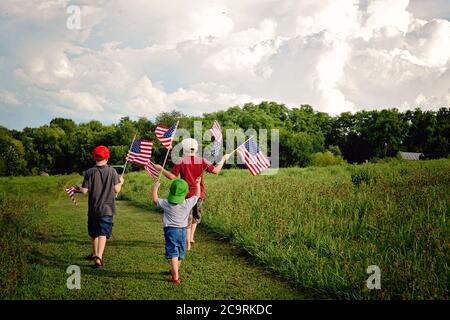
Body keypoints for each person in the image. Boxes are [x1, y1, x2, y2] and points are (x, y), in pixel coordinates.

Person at [154, 138, 229, 250]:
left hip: (185, 195)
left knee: (187, 218)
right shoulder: (201, 160)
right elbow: (216, 171)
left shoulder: (181, 161)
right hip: (199, 194)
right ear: (196, 148)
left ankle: (188, 240)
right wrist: (223, 159)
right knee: (196, 216)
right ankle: (191, 238)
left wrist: (161, 169)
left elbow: (171, 177)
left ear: (184, 149)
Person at [80, 145, 124, 268]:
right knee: (103, 233)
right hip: (107, 209)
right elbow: (116, 190)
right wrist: (121, 182)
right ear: (107, 158)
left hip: (93, 208)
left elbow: (84, 191)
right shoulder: (112, 171)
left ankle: (95, 254)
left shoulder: (89, 172)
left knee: (93, 233)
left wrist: (79, 187)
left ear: (94, 157)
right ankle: (98, 256)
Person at [152, 178, 200, 284]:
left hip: (170, 232)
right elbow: (197, 196)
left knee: (173, 253)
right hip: (182, 231)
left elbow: (155, 201)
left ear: (171, 191)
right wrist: (197, 184)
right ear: (186, 192)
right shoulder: (187, 203)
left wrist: (155, 188)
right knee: (179, 252)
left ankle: (175, 278)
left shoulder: (166, 203)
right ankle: (175, 269)